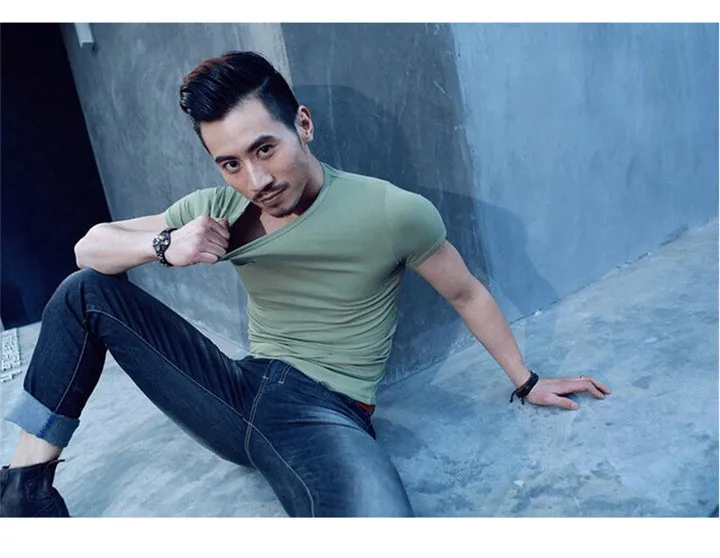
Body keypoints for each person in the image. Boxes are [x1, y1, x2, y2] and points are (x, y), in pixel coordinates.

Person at [0, 51, 611, 518]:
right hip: (233, 390)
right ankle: (25, 489)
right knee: (86, 290)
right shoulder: (219, 208)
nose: (256, 179)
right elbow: (88, 249)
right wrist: (163, 245)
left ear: (304, 125)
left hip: (323, 408)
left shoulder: (392, 211)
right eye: (231, 163)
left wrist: (526, 380)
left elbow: (466, 292)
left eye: (265, 148)